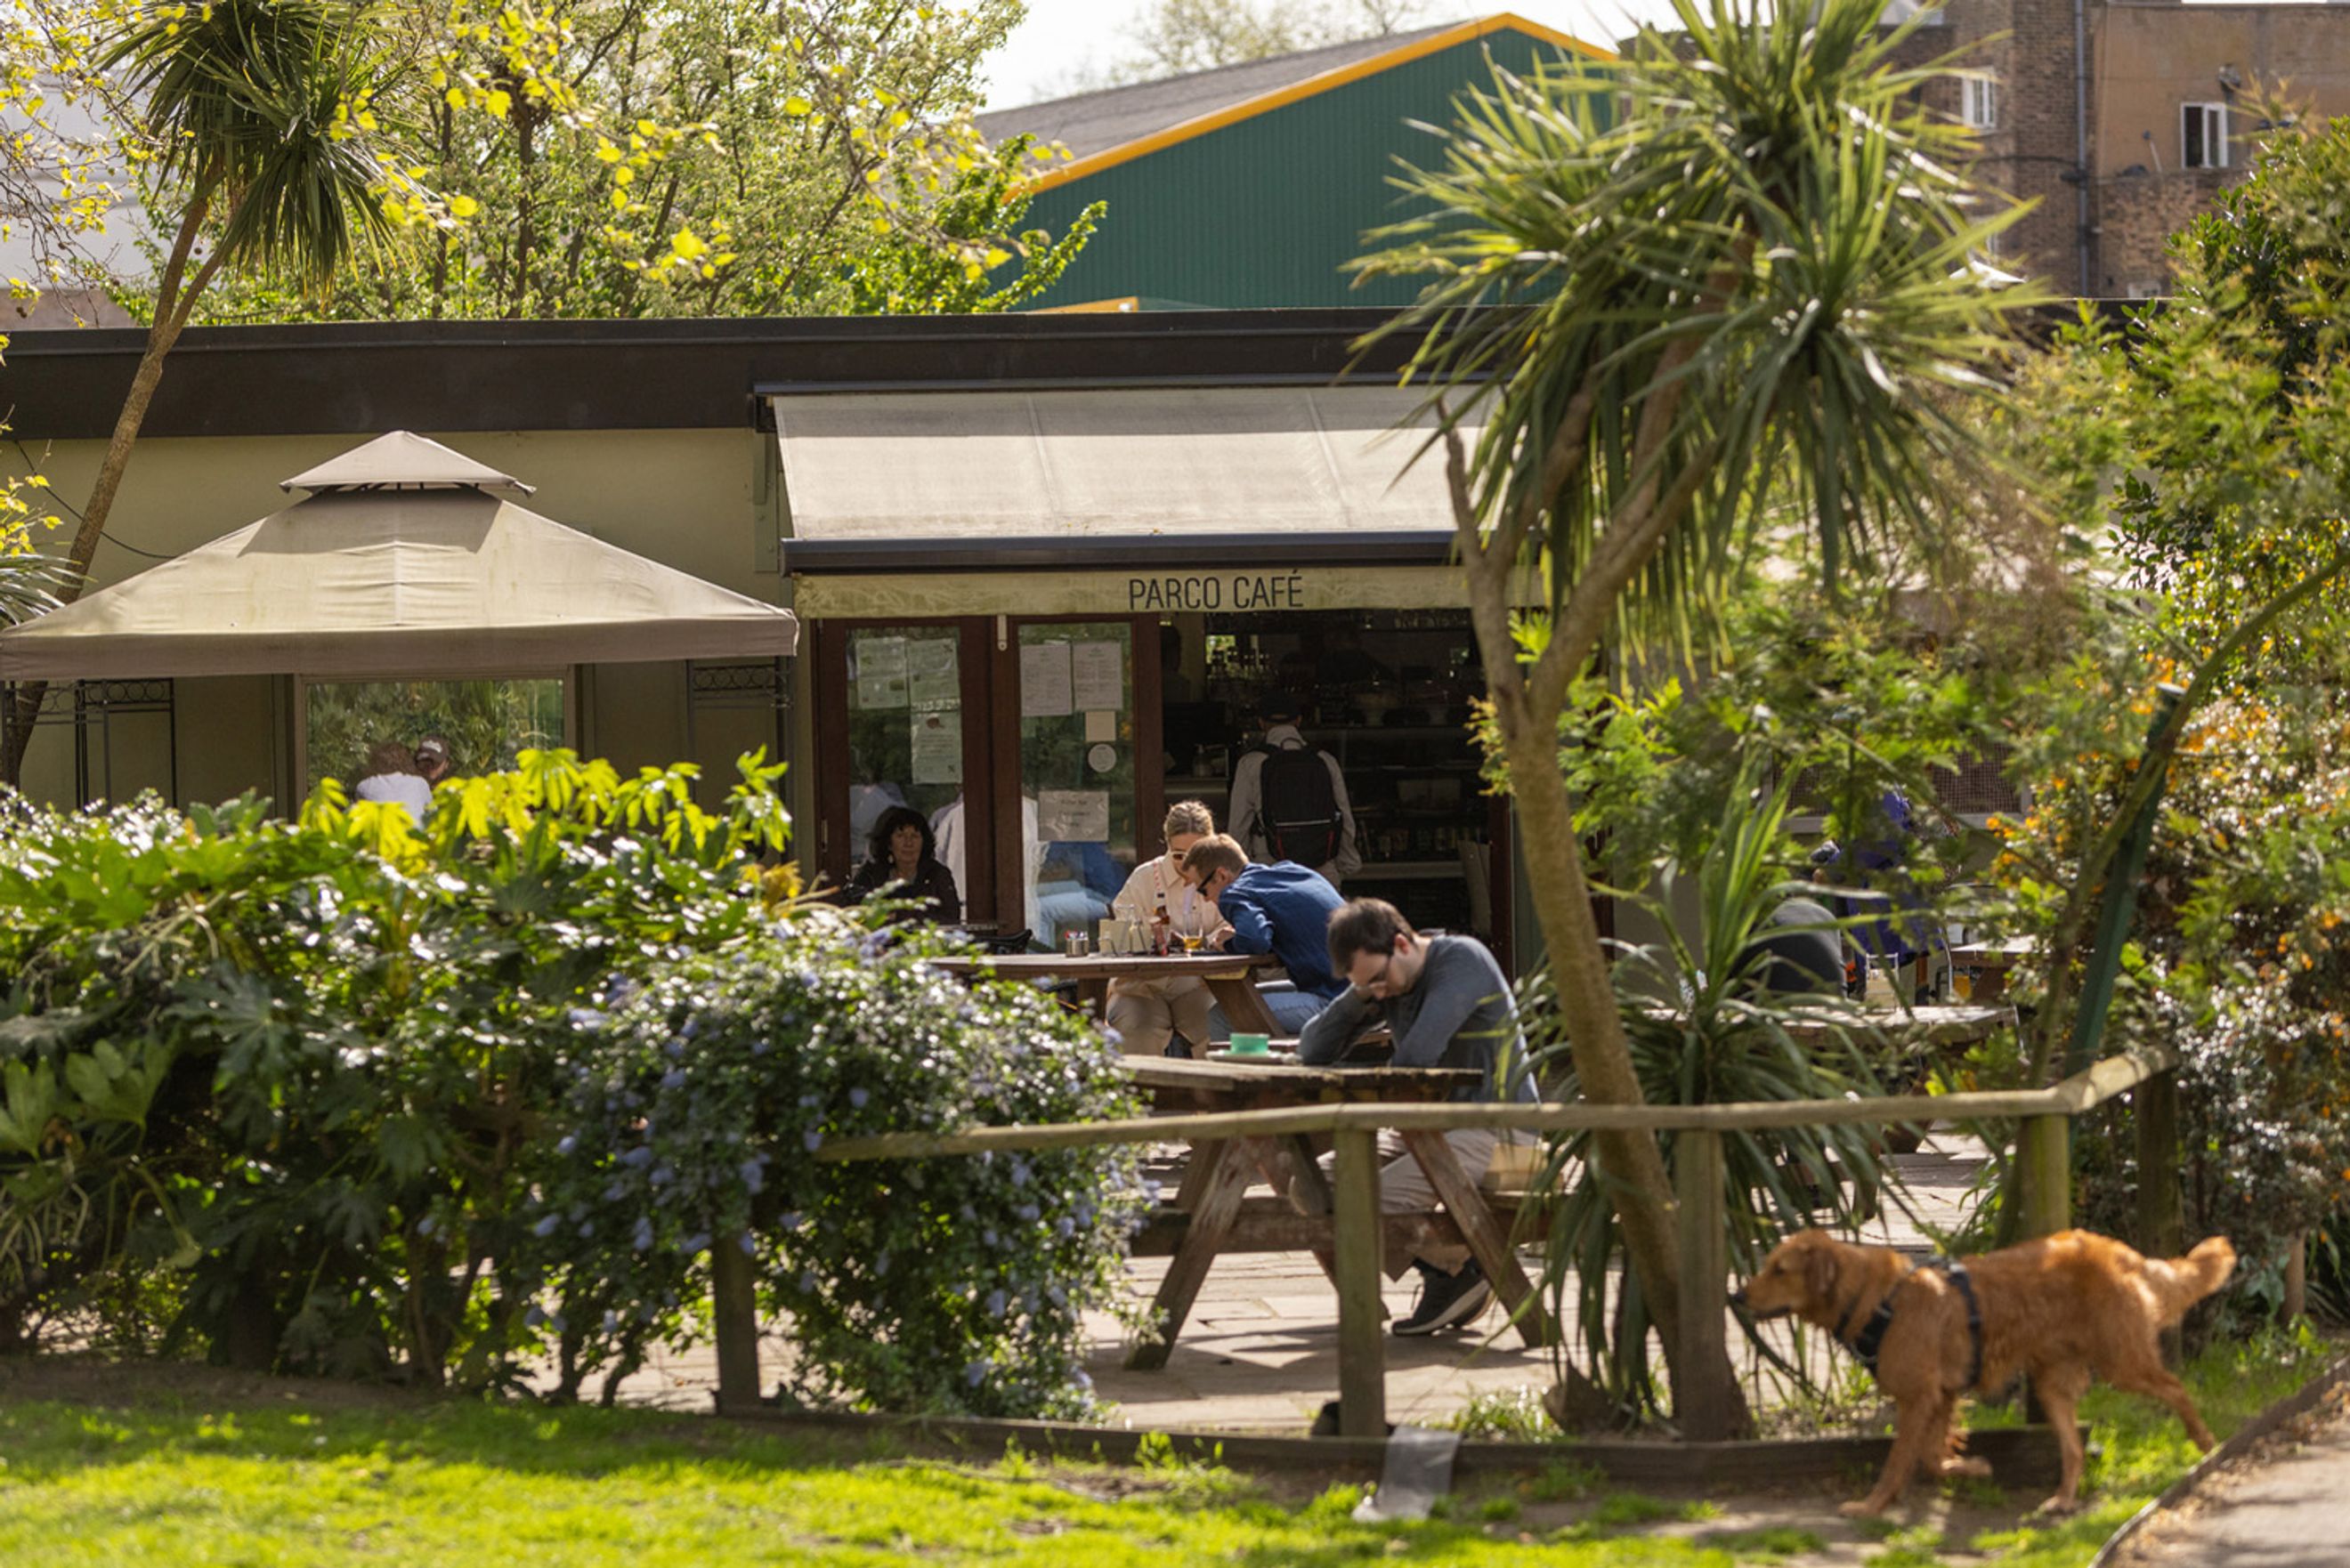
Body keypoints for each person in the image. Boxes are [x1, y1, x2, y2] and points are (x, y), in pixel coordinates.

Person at [1297, 899, 1537, 1336]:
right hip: (1432, 1133)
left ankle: (1460, 1270)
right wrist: (1361, 995)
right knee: (1310, 1188)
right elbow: (1311, 1051)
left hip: (1512, 1143)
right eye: (1369, 985)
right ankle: (1452, 1271)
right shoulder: (1385, 984)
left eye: (1379, 979)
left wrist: (1376, 994)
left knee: (1372, 1199)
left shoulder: (1462, 960)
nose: (1380, 992)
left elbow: (1417, 1059)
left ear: (1403, 944)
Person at [1178, 834, 1345, 1037]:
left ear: (1221, 876)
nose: (1205, 900)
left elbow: (1254, 940)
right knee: (1242, 1000)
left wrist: (1229, 944)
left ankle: (1248, 1070)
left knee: (1221, 1016)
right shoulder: (1292, 871)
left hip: (1337, 1003)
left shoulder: (1235, 892)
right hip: (1371, 996)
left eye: (1203, 891)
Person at [1106, 802, 1228, 1055]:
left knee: (1218, 1028)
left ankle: (1208, 1095)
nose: (1186, 864)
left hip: (1198, 984)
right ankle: (1147, 1095)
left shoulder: (1221, 877)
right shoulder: (1144, 878)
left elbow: (1230, 926)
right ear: (1167, 845)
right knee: (1138, 1030)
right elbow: (1120, 933)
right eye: (1178, 855)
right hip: (1142, 985)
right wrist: (1151, 938)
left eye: (1197, 853)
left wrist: (1214, 940)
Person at [1227, 693, 1362, 886]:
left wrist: (1240, 871)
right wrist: (1347, 863)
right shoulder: (1325, 760)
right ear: (1298, 721)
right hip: (1322, 870)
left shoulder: (1251, 763)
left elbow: (1239, 825)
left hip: (1271, 867)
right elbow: (1343, 816)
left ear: (1261, 723)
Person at [847, 804, 961, 923]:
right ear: (889, 843)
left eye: (915, 836)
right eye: (900, 836)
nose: (908, 843)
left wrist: (900, 916)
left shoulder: (937, 875)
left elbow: (951, 920)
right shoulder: (871, 876)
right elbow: (857, 915)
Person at [353, 740, 433, 824]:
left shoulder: (364, 786)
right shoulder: (419, 783)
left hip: (380, 835)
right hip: (415, 835)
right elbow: (432, 812)